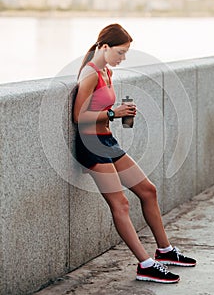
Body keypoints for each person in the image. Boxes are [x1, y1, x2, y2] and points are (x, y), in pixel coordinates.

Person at [73, 23, 196, 284]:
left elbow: (100, 110)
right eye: (120, 52)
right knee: (121, 204)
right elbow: (78, 117)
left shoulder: (106, 72)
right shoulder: (90, 73)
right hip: (91, 145)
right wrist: (112, 113)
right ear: (104, 47)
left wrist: (120, 112)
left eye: (126, 53)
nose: (123, 58)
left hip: (107, 140)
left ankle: (165, 251)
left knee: (148, 190)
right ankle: (146, 265)